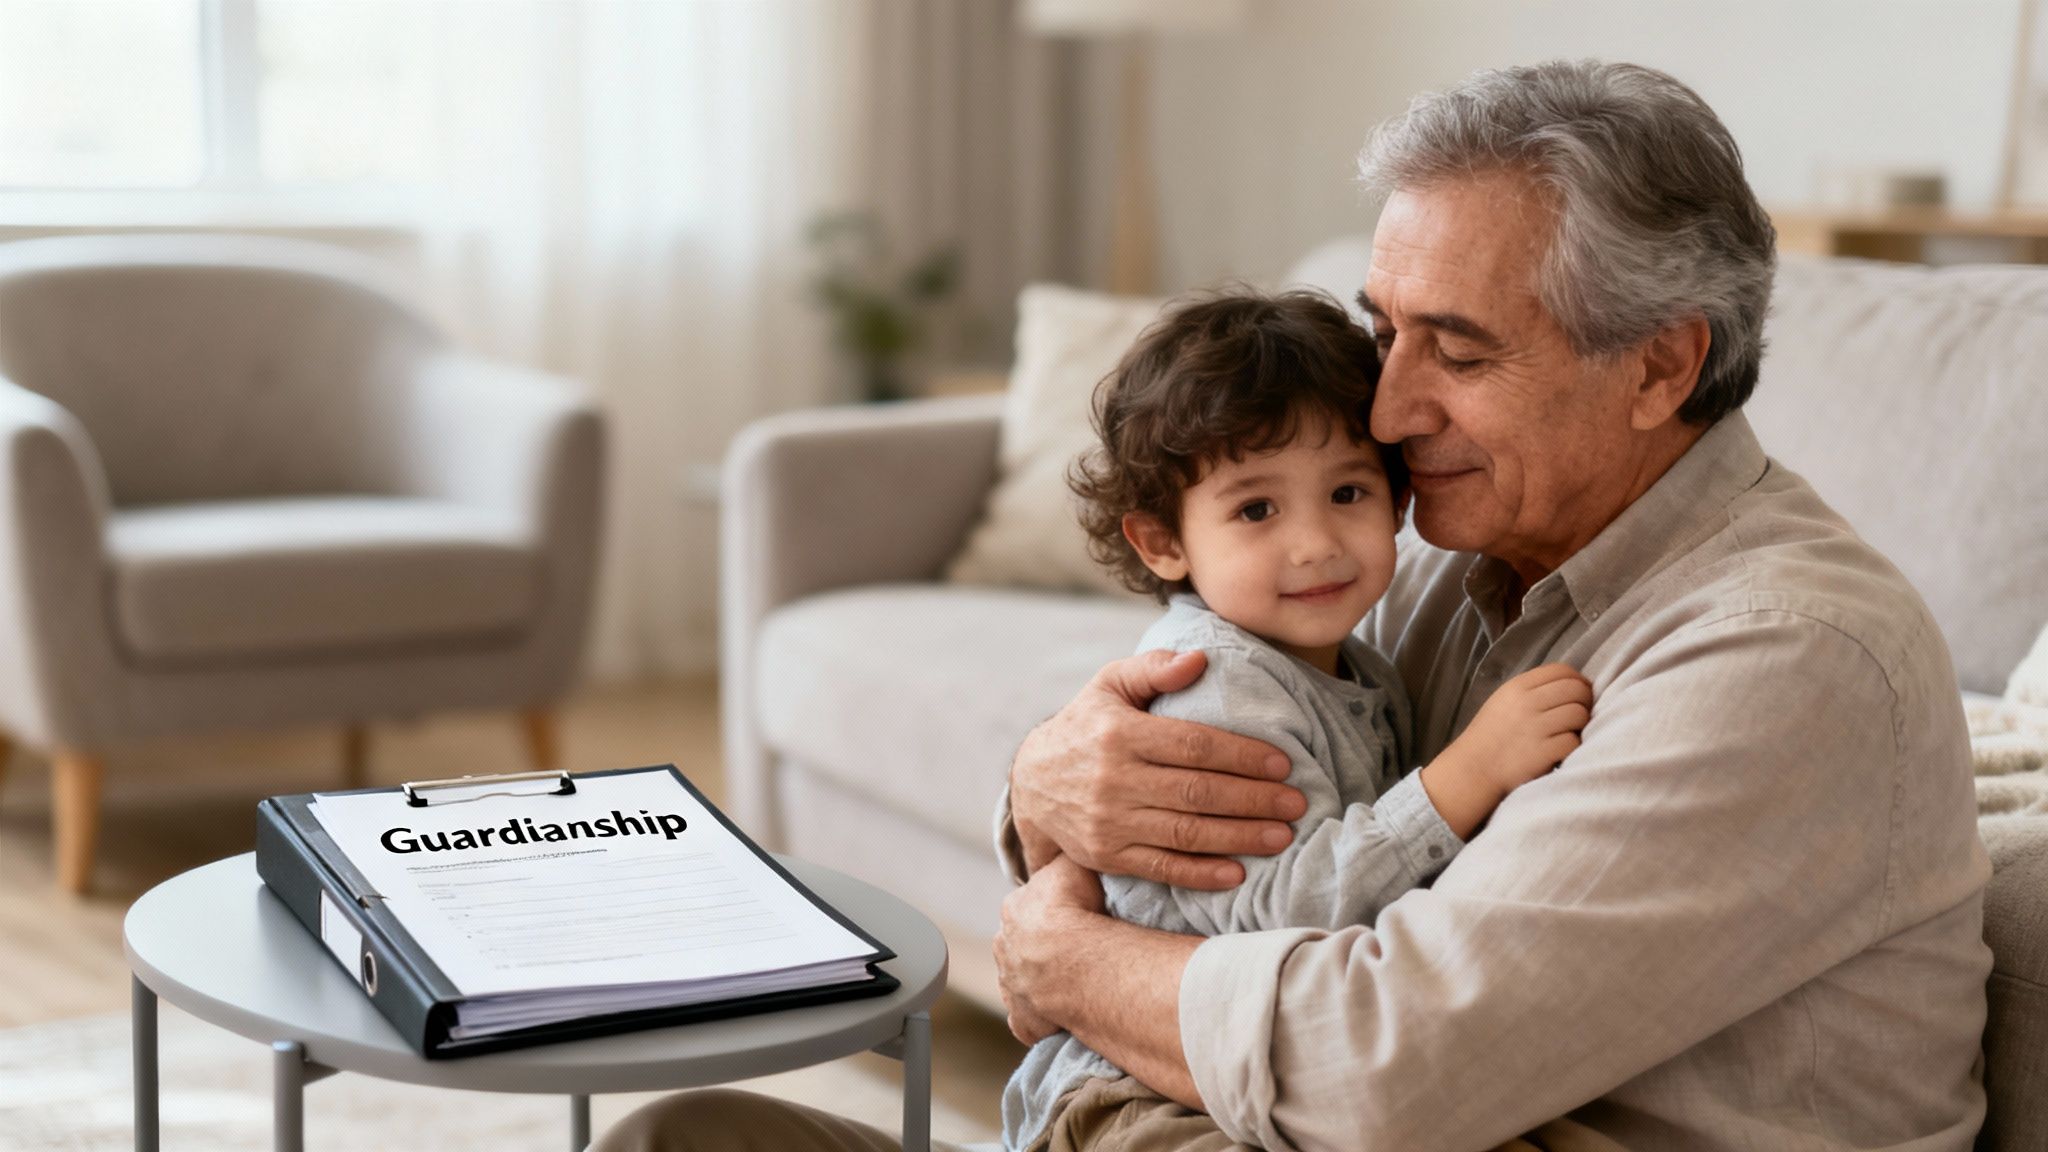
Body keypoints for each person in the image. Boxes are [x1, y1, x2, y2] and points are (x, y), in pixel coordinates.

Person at [596, 58, 1992, 1152]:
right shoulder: (1457, 544)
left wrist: (1074, 967)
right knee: (677, 1136)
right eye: (1388, 331)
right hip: (1254, 1122)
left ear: (1658, 367)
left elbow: (1383, 1070)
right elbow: (1254, 764)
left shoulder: (1785, 655)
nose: (1386, 409)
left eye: (1455, 350)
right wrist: (1046, 786)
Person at [1005, 287, 1590, 1152]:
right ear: (1163, 542)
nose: (1315, 542)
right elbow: (1273, 911)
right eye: (1256, 509)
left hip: (1246, 1083)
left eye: (1348, 492)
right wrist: (1466, 776)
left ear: (1397, 502)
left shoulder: (1356, 664)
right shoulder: (1222, 686)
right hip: (1136, 1097)